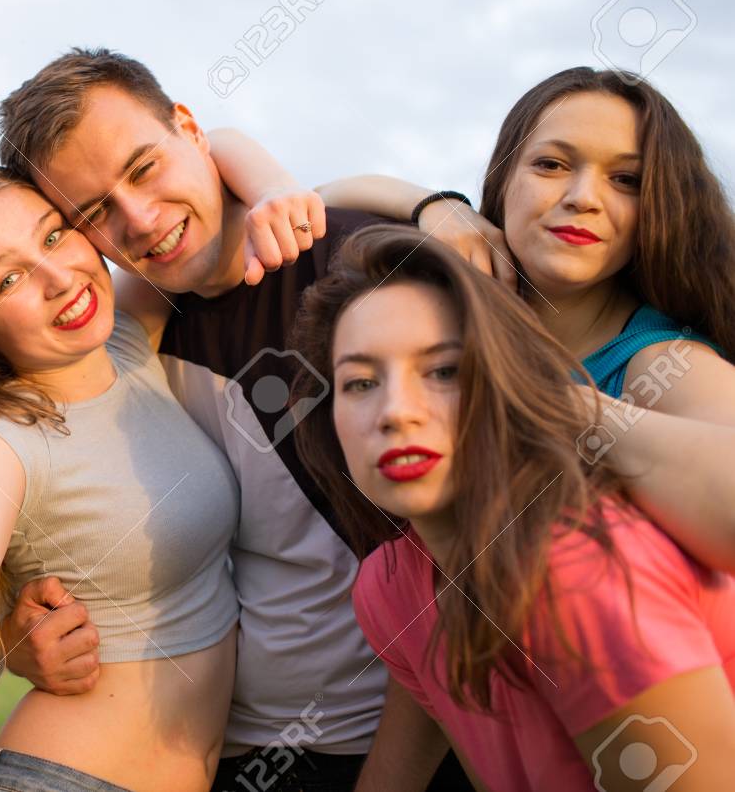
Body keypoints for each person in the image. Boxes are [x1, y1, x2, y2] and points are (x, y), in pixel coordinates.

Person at [0, 47, 478, 790]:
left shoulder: (366, 265)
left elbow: (468, 545)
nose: (141, 220)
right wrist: (12, 629)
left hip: (410, 734)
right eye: (93, 212)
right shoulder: (132, 334)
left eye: (143, 168)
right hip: (235, 746)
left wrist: (436, 204)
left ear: (190, 129)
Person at [291, 223, 735, 792]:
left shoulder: (576, 570)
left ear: (505, 386)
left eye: (444, 371)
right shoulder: (391, 585)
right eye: (360, 383)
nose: (396, 411)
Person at [245, 67, 735, 574]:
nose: (584, 197)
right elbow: (314, 203)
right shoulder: (451, 301)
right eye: (551, 164)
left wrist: (545, 401)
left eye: (626, 180)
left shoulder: (663, 363)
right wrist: (432, 205)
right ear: (504, 178)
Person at [0, 167, 241, 792]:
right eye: (9, 279)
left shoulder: (125, 339)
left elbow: (210, 218)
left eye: (52, 236)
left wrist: (432, 210)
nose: (57, 280)